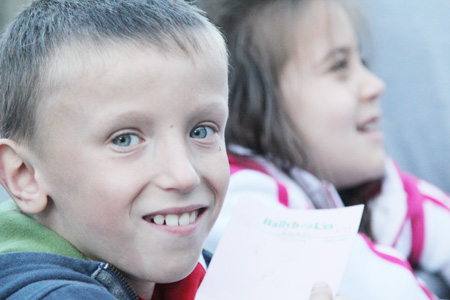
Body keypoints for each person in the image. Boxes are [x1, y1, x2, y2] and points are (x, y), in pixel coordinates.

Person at [0, 1, 345, 299]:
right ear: (25, 176)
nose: (183, 175)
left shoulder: (207, 268)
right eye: (125, 139)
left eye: (201, 131)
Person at [198, 0, 443, 299]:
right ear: (253, 109)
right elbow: (379, 286)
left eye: (362, 63)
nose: (375, 85)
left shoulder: (374, 191)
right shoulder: (235, 195)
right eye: (339, 66)